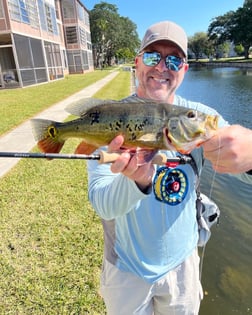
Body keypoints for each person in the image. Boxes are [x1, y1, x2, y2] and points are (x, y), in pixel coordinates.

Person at [87, 21, 252, 315]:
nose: (162, 67)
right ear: (137, 63)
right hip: (126, 269)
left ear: (184, 70)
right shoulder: (110, 120)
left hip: (182, 267)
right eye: (152, 57)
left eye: (174, 59)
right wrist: (136, 180)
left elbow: (238, 157)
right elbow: (102, 204)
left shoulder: (199, 119)